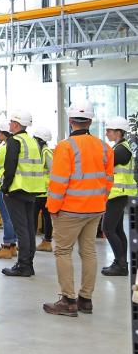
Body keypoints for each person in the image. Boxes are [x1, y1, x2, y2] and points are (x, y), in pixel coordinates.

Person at [43, 100, 113, 317]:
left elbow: (59, 182)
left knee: (63, 251)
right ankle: (86, 299)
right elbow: (108, 179)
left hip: (70, 209)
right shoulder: (104, 146)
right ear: (90, 121)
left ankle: (68, 300)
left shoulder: (65, 146)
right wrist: (100, 202)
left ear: (71, 121)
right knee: (89, 251)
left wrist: (52, 208)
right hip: (95, 209)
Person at [0, 109, 46, 277]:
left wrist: (5, 188)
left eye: (11, 121)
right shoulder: (31, 141)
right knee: (28, 229)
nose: (10, 124)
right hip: (31, 190)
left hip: (17, 190)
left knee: (21, 230)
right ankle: (28, 263)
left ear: (17, 124)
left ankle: (23, 265)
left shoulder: (14, 141)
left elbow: (10, 167)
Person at [101, 116, 135, 277]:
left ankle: (120, 264)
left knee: (107, 228)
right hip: (118, 194)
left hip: (117, 194)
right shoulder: (120, 147)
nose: (106, 133)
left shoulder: (121, 150)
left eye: (109, 130)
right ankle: (121, 263)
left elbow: (104, 165)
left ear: (118, 132)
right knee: (118, 229)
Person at [0, 122, 18, 259]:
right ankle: (12, 246)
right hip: (9, 186)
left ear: (3, 134)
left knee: (6, 217)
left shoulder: (3, 149)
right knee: (10, 216)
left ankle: (7, 246)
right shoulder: (14, 146)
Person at [33, 126, 54, 253]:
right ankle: (44, 241)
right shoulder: (41, 151)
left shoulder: (46, 152)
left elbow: (53, 171)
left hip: (44, 191)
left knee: (41, 216)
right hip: (39, 190)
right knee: (42, 216)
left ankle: (46, 242)